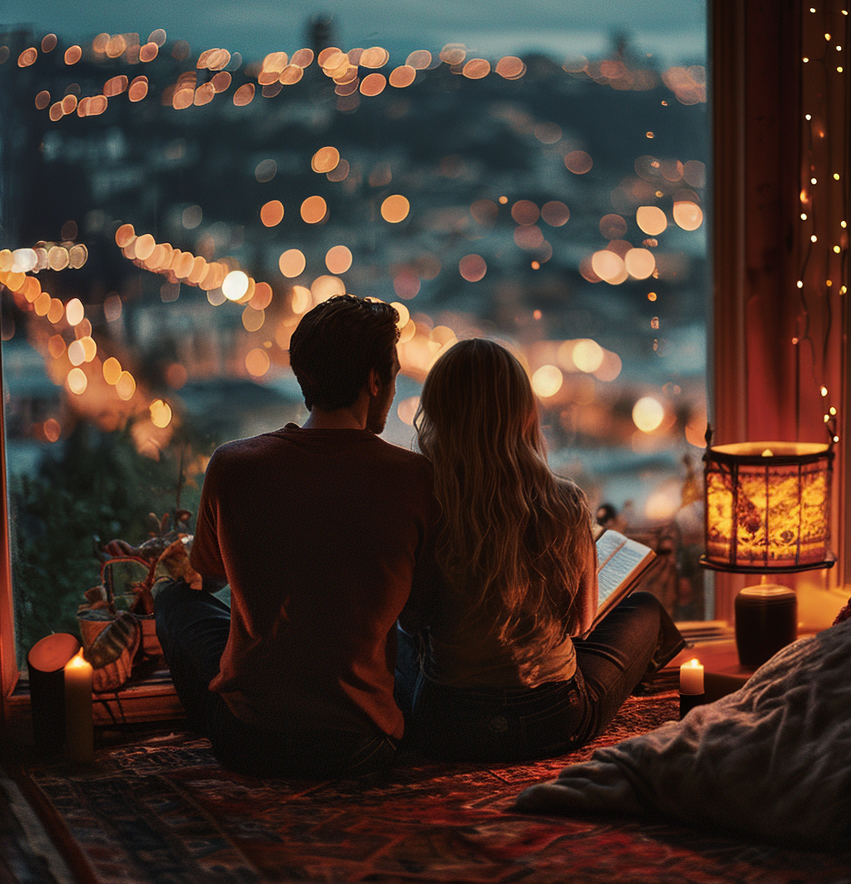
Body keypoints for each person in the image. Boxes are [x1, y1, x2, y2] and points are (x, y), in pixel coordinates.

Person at [155, 294, 438, 779]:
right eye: (391, 373)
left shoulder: (233, 464)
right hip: (361, 749)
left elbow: (206, 577)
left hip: (245, 742)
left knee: (174, 601)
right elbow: (425, 608)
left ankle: (206, 720)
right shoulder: (414, 477)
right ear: (375, 380)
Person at [401, 338, 677, 762]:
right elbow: (580, 626)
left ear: (437, 411)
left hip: (446, 724)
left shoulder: (425, 498)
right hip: (551, 719)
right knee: (646, 610)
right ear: (522, 412)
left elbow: (414, 619)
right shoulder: (563, 502)